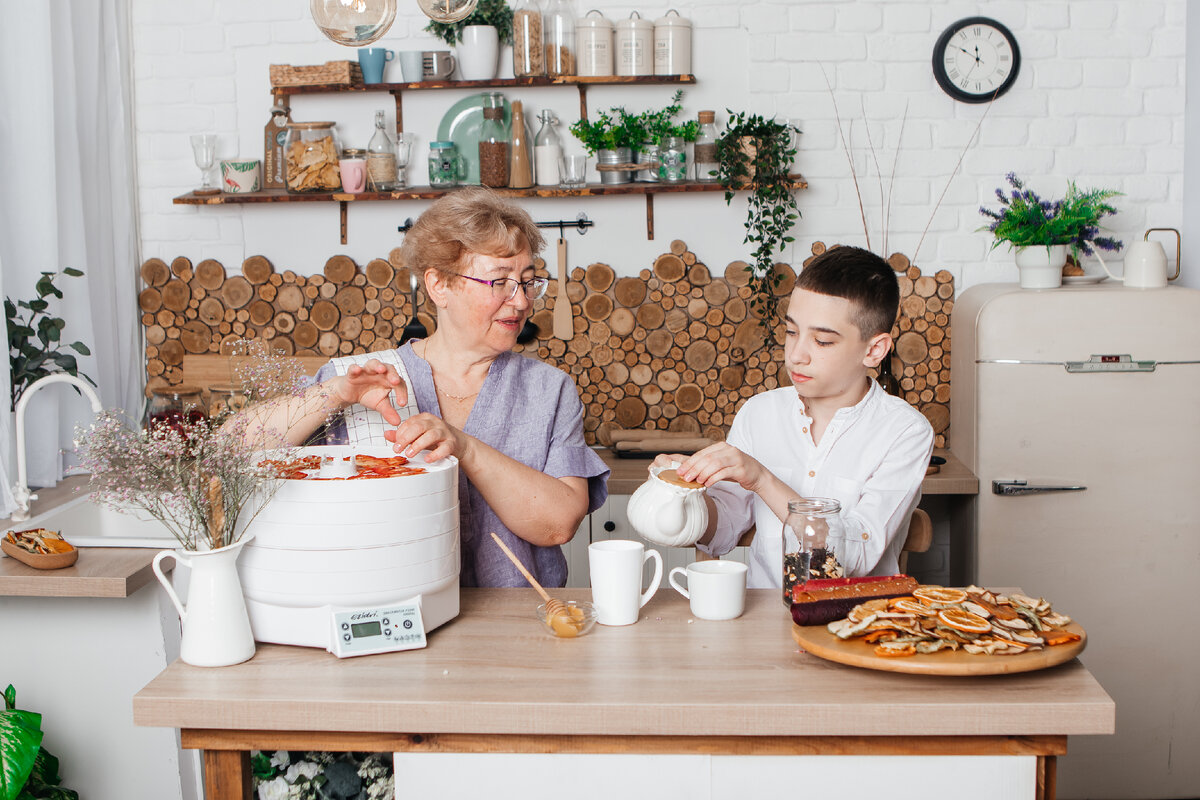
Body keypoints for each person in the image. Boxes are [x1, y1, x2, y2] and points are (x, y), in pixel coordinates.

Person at [241, 187, 609, 588]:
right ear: (439, 285)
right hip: (391, 617)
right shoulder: (356, 378)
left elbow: (558, 526)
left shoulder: (548, 391)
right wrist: (334, 394)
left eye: (527, 281)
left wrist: (463, 446)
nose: (520, 301)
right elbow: (228, 452)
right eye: (500, 282)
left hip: (519, 628)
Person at [655, 245, 934, 587]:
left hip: (857, 626)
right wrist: (685, 490)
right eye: (791, 332)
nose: (796, 355)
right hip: (760, 624)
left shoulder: (905, 431)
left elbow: (853, 560)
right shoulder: (759, 413)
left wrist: (761, 478)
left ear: (874, 350)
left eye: (822, 341)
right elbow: (722, 531)